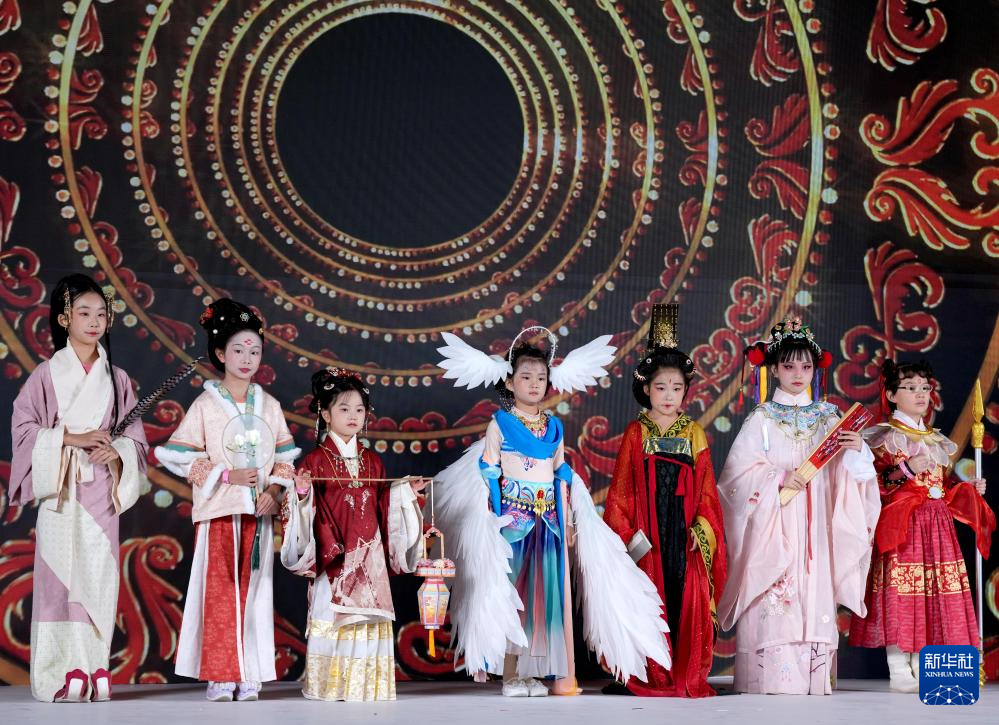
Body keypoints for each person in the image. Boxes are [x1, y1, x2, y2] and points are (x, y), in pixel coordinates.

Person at [718, 315, 880, 695]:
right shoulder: (761, 418)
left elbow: (846, 475)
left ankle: (813, 676)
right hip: (775, 519)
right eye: (789, 366)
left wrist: (858, 451)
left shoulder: (828, 418)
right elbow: (735, 478)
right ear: (774, 369)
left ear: (815, 369)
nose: (798, 374)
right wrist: (776, 477)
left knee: (814, 587)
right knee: (775, 591)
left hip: (818, 518)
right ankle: (769, 678)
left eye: (805, 367)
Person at [9, 274, 148, 702]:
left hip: (100, 488)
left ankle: (95, 665)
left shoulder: (117, 378)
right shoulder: (46, 375)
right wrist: (70, 437)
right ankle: (61, 669)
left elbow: (136, 439)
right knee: (59, 575)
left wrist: (116, 451)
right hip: (62, 487)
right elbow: (23, 427)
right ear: (64, 318)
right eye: (84, 313)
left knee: (97, 572)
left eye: (101, 314)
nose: (93, 321)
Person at [155, 299, 298, 701]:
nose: (247, 358)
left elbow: (285, 459)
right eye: (238, 350)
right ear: (220, 354)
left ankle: (249, 671)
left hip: (258, 513)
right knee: (220, 590)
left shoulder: (269, 405)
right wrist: (224, 474)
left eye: (255, 350)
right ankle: (221, 673)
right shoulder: (205, 405)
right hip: (220, 510)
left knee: (256, 591)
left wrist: (273, 492)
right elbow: (177, 455)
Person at [603, 303, 727, 697]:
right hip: (648, 533)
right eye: (661, 387)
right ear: (646, 389)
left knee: (682, 596)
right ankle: (651, 671)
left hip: (683, 532)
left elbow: (707, 491)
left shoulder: (694, 433)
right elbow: (621, 492)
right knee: (649, 597)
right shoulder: (635, 433)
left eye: (676, 387)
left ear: (686, 390)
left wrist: (701, 530)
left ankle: (682, 669)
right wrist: (628, 537)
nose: (669, 395)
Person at [279, 368, 425, 701]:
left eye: (360, 409)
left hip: (369, 555)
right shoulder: (315, 461)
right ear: (325, 413)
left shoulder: (373, 462)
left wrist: (406, 493)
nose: (353, 416)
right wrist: (301, 493)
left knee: (368, 617)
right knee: (333, 615)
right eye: (344, 409)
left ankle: (366, 687)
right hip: (335, 554)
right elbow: (303, 507)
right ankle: (330, 686)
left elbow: (384, 503)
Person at [848, 359, 994, 692]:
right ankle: (899, 669)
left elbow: (941, 488)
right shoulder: (884, 438)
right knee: (902, 593)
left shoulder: (935, 439)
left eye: (925, 388)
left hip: (937, 526)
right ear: (891, 395)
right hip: (903, 524)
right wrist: (908, 469)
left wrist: (968, 490)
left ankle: (922, 664)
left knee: (930, 594)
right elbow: (875, 483)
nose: (920, 394)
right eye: (911, 388)